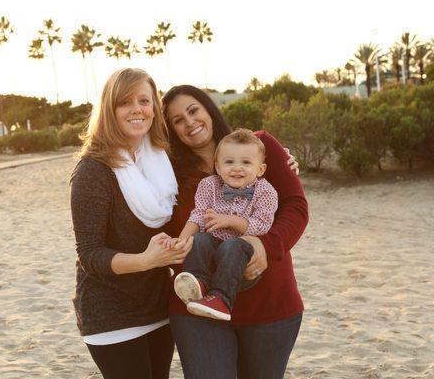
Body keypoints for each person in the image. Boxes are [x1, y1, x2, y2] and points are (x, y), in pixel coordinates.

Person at [162, 85, 308, 379]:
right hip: (195, 310)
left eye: (193, 110)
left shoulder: (260, 147)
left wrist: (265, 246)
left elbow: (296, 208)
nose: (189, 122)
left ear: (209, 109)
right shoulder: (167, 172)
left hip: (269, 305)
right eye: (177, 120)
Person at [70, 68, 193, 379]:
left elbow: (220, 163)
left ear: (155, 107)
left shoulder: (162, 160)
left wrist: (278, 162)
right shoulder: (93, 169)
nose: (137, 109)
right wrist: (145, 261)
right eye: (126, 102)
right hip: (110, 314)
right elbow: (90, 254)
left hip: (157, 306)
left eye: (145, 100)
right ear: (110, 110)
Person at [171, 128, 278, 322]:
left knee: (233, 245)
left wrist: (229, 220)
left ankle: (221, 299)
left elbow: (262, 225)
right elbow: (198, 215)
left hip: (240, 264)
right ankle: (198, 284)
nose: (237, 168)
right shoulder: (208, 185)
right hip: (212, 255)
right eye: (229, 162)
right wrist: (182, 239)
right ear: (218, 167)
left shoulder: (266, 191)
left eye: (246, 162)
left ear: (260, 169)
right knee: (200, 239)